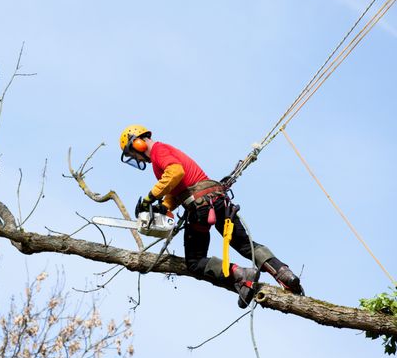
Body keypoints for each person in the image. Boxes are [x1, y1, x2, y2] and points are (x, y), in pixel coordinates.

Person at [119, 124, 303, 308]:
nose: (135, 157)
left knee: (195, 261)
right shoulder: (164, 153)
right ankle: (283, 273)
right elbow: (176, 188)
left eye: (132, 153)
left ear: (137, 143)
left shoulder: (159, 150)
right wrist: (165, 206)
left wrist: (149, 198)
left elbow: (175, 172)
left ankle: (240, 275)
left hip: (201, 207)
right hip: (217, 200)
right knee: (243, 243)